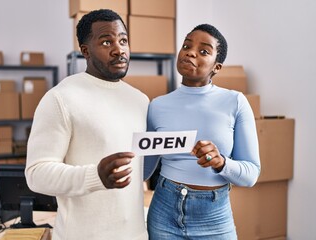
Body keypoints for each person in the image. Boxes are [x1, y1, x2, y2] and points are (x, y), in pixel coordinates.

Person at [25, 9, 149, 240]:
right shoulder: (60, 98)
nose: (118, 49)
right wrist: (95, 176)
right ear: (85, 51)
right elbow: (36, 174)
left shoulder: (141, 100)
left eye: (123, 40)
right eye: (106, 41)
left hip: (136, 235)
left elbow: (142, 167)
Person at [144, 23, 261, 239]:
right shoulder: (157, 105)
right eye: (186, 45)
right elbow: (145, 169)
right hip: (163, 210)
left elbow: (251, 174)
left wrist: (221, 162)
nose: (190, 52)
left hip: (214, 217)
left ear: (217, 67)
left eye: (203, 51)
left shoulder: (235, 102)